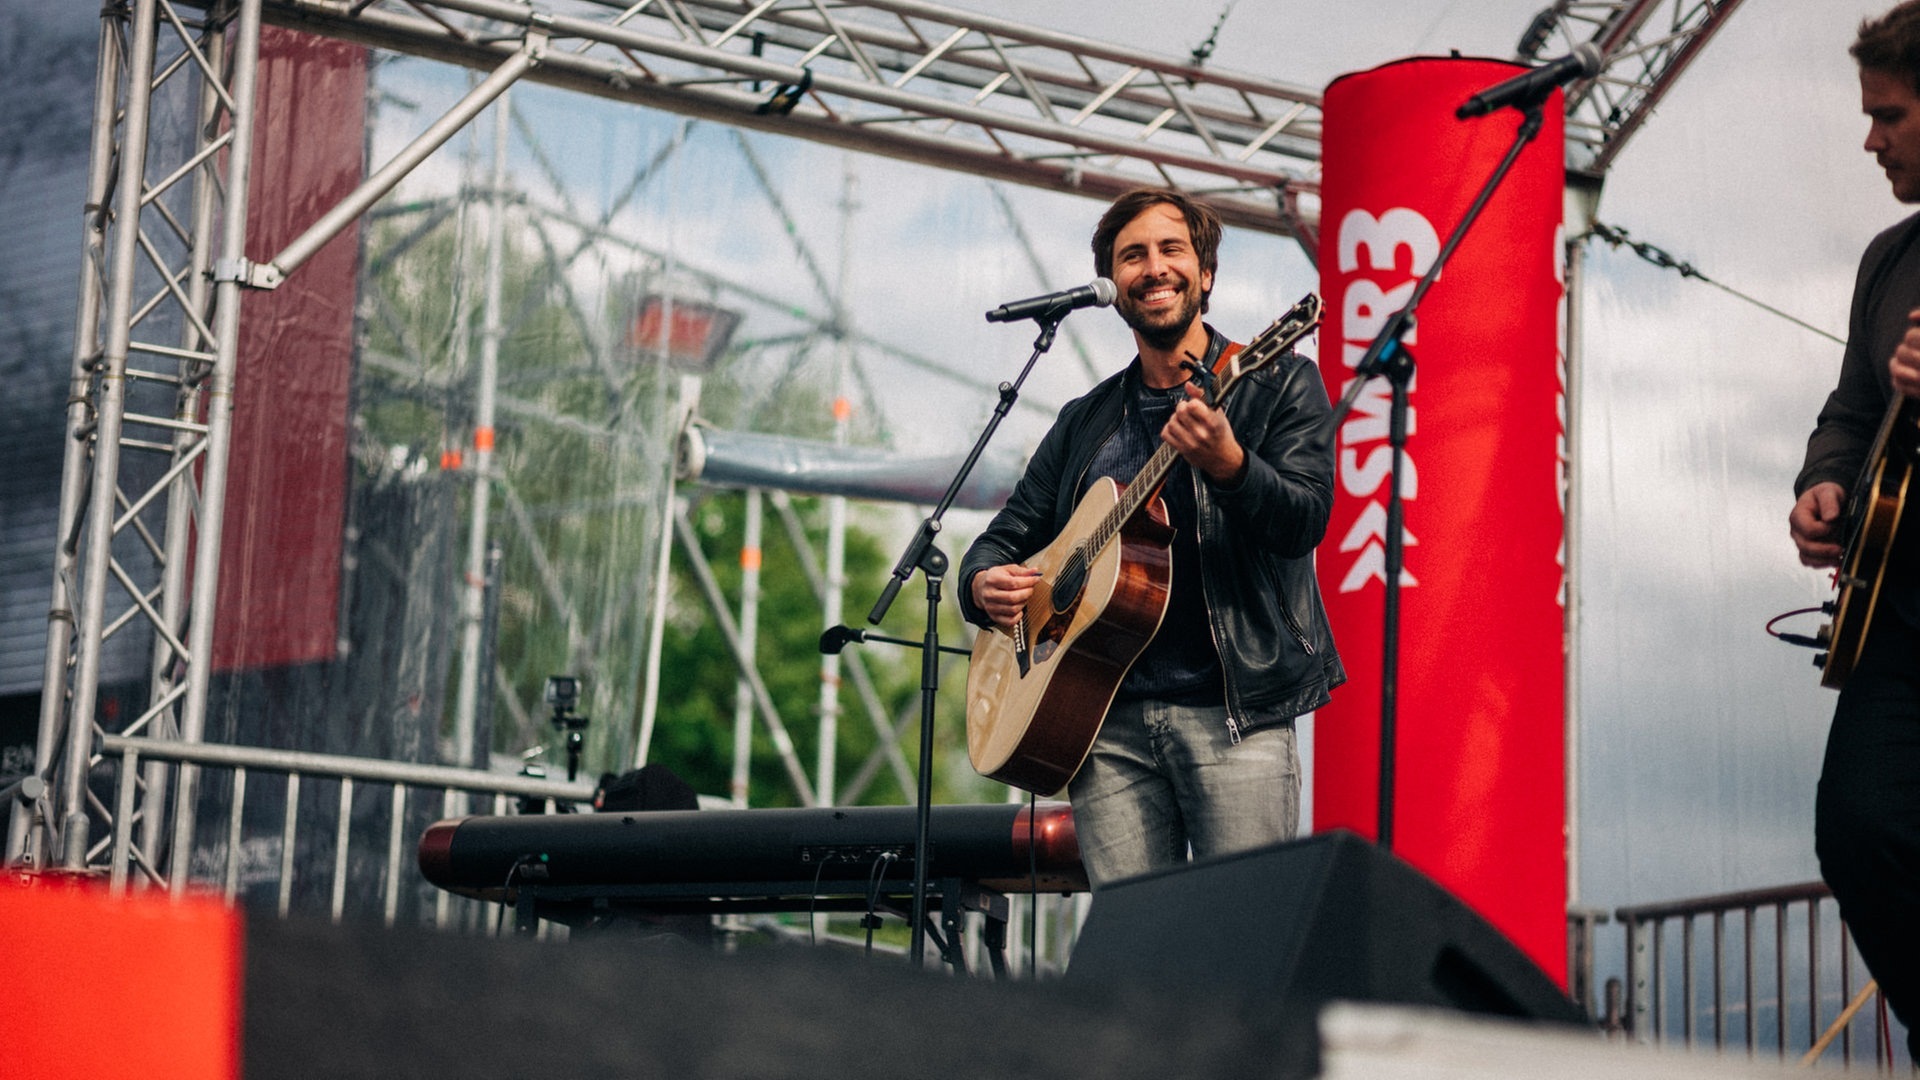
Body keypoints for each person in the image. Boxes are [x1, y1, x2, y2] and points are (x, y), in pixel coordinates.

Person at [959, 188, 1344, 890]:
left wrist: (1232, 467)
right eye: (1132, 255)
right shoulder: (1085, 420)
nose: (1153, 267)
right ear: (1113, 285)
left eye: (1172, 250)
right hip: (1102, 727)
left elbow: (1303, 521)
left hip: (1237, 718)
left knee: (1243, 939)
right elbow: (1003, 537)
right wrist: (981, 583)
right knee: (1132, 956)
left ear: (1205, 275)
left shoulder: (1276, 382)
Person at [1788, 1, 1920, 1052]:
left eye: (1891, 114)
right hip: (1899, 609)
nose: (1869, 139)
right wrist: (1825, 485)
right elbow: (1849, 409)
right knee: (1860, 829)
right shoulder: (1888, 258)